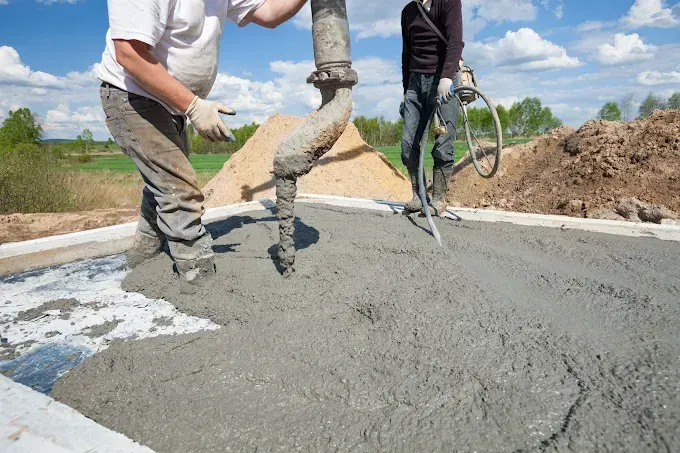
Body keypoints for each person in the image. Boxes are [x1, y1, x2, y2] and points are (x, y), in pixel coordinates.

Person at [98, 0, 308, 291]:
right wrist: (194, 106)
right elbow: (129, 53)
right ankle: (200, 282)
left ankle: (142, 259)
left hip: (170, 104)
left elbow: (270, 14)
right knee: (179, 191)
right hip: (133, 96)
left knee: (164, 183)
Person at [400, 0, 463, 216]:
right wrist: (405, 88)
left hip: (443, 78)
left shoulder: (449, 2)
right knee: (408, 145)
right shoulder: (407, 11)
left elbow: (455, 42)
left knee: (443, 145)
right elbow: (406, 52)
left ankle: (438, 199)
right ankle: (419, 196)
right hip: (415, 84)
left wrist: (446, 77)